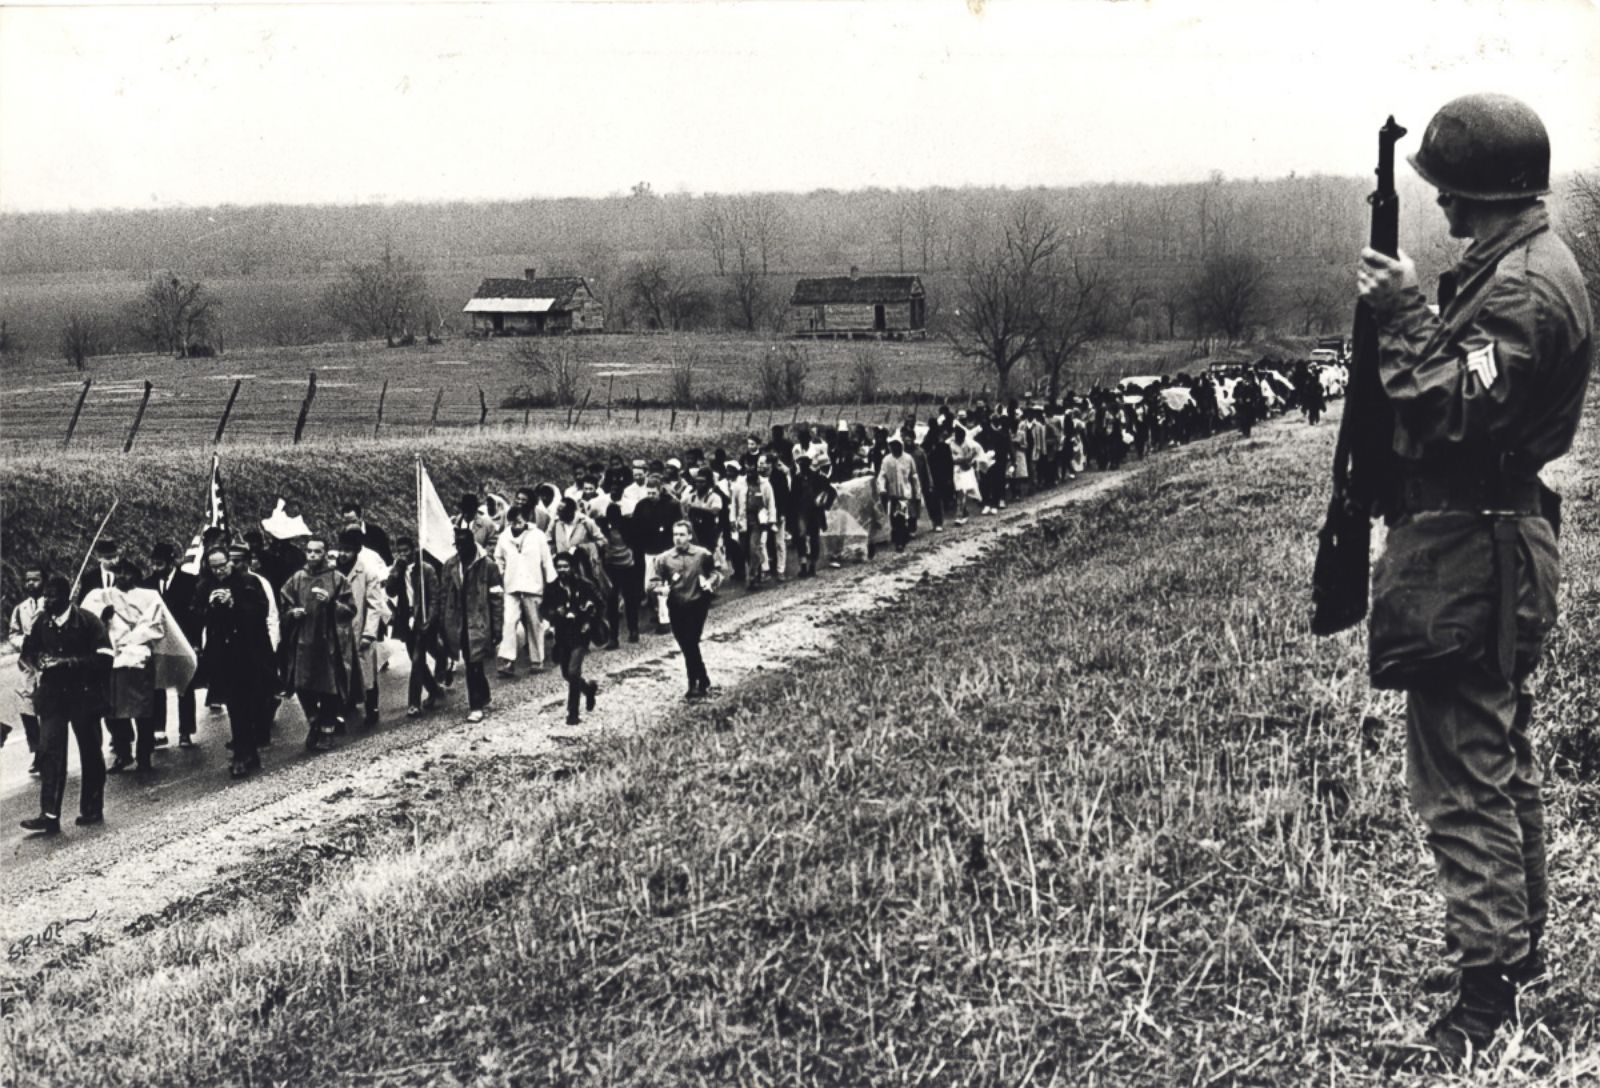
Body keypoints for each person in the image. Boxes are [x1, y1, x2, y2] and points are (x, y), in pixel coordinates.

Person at [1356, 92, 1593, 1069]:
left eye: (1448, 191)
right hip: (1480, 538)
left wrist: (1403, 310)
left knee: (1462, 776)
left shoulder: (1523, 291)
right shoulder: (1517, 266)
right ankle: (1507, 953)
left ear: (1480, 191)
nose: (1441, 208)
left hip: (1473, 548)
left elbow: (1450, 408)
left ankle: (1484, 992)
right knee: (1492, 759)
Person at [19, 574, 110, 834]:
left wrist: (68, 663)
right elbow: (27, 653)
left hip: (84, 695)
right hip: (53, 698)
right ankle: (49, 815)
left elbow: (105, 658)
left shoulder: (88, 621)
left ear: (67, 597)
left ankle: (92, 809)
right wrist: (39, 662)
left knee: (91, 751)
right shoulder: (41, 624)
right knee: (49, 753)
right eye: (45, 595)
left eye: (52, 596)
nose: (46, 600)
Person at [194, 545, 277, 778]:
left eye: (222, 566)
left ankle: (250, 749)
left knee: (254, 703)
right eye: (214, 567)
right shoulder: (204, 585)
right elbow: (195, 613)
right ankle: (241, 753)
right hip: (223, 653)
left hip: (250, 651)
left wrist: (234, 604)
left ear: (230, 562)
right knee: (234, 704)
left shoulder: (249, 582)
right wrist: (209, 605)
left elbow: (262, 611)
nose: (219, 571)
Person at [86, 558, 165, 773]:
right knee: (113, 711)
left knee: (142, 711)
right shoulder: (102, 596)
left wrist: (130, 639)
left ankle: (144, 755)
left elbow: (154, 625)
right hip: (113, 659)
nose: (122, 577)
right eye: (118, 573)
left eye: (126, 573)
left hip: (137, 657)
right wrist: (104, 616)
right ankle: (123, 753)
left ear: (135, 575)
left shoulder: (150, 597)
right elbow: (89, 620)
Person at [280, 536, 357, 752]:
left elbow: (350, 609)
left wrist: (332, 603)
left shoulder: (337, 578)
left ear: (325, 554)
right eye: (309, 551)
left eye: (317, 552)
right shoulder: (297, 578)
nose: (313, 555)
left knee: (328, 687)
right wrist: (292, 613)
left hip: (328, 641)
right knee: (302, 684)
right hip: (304, 640)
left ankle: (327, 731)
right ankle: (314, 720)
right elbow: (284, 604)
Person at [653, 521, 720, 701]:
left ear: (690, 536)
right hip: (676, 606)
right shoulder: (664, 558)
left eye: (682, 535)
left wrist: (709, 582)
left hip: (697, 604)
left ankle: (693, 684)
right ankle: (703, 677)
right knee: (686, 644)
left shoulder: (702, 554)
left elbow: (715, 573)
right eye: (675, 535)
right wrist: (660, 588)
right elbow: (653, 582)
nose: (678, 539)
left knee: (691, 641)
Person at [442, 526, 504, 724]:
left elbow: (496, 599)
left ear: (472, 544)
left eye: (463, 544)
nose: (460, 549)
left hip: (479, 620)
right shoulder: (450, 565)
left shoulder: (489, 566)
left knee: (473, 663)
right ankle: (483, 694)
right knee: (471, 662)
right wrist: (444, 623)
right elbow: (445, 596)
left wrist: (497, 627)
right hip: (458, 621)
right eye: (457, 544)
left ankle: (475, 705)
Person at [145, 542, 200, 748]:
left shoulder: (189, 582)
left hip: (183, 639)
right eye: (154, 564)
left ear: (171, 562)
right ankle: (159, 729)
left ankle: (186, 730)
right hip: (157, 642)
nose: (156, 569)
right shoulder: (147, 584)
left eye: (160, 564)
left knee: (184, 684)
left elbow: (195, 615)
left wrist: (195, 642)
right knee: (156, 684)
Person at [540, 551, 605, 726]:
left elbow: (600, 604)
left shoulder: (584, 585)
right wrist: (555, 613)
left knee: (574, 671)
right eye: (559, 567)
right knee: (566, 674)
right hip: (562, 634)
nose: (562, 570)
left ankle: (573, 713)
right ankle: (588, 689)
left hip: (580, 634)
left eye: (566, 566)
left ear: (572, 568)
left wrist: (590, 621)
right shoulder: (552, 588)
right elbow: (544, 609)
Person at [335, 528, 389, 729]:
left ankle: (372, 707)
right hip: (339, 630)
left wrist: (369, 633)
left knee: (366, 672)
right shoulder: (333, 573)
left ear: (357, 551)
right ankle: (341, 711)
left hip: (360, 629)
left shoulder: (367, 573)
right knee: (340, 671)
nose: (343, 554)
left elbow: (375, 605)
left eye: (347, 550)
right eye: (340, 549)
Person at [494, 505, 557, 676]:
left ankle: (537, 660)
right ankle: (508, 661)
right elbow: (498, 558)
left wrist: (551, 582)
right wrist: (501, 573)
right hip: (511, 585)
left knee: (534, 623)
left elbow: (546, 561)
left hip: (533, 585)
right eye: (513, 522)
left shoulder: (537, 536)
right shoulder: (504, 537)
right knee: (509, 622)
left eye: (519, 522)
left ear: (526, 520)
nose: (516, 526)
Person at [7, 565, 45, 775]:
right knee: (27, 708)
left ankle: (51, 753)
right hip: (28, 665)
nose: (31, 584)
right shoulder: (20, 609)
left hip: (48, 662)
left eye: (36, 580)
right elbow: (13, 633)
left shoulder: (51, 604)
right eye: (28, 580)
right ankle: (37, 751)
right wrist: (23, 642)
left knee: (49, 710)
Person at [340, 500, 393, 565]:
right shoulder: (343, 534)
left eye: (353, 521)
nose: (350, 525)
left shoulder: (376, 532)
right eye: (346, 523)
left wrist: (360, 535)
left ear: (360, 518)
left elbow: (387, 557)